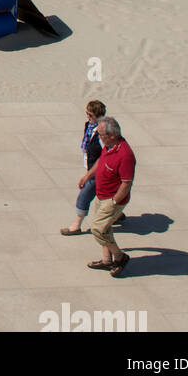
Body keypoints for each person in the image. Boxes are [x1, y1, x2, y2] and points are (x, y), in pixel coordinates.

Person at [80, 116, 135, 275]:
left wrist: (114, 202)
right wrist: (88, 176)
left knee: (97, 229)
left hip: (112, 200)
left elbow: (126, 183)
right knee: (105, 228)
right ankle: (107, 260)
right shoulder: (109, 146)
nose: (98, 137)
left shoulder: (125, 155)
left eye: (101, 134)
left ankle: (119, 256)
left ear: (112, 135)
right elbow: (101, 161)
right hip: (101, 195)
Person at [62, 100, 120, 237]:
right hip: (91, 166)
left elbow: (106, 155)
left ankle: (76, 225)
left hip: (99, 171)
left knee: (85, 194)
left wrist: (88, 175)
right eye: (87, 113)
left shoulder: (103, 133)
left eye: (90, 115)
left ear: (99, 117)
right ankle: (117, 213)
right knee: (107, 193)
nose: (88, 117)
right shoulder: (89, 125)